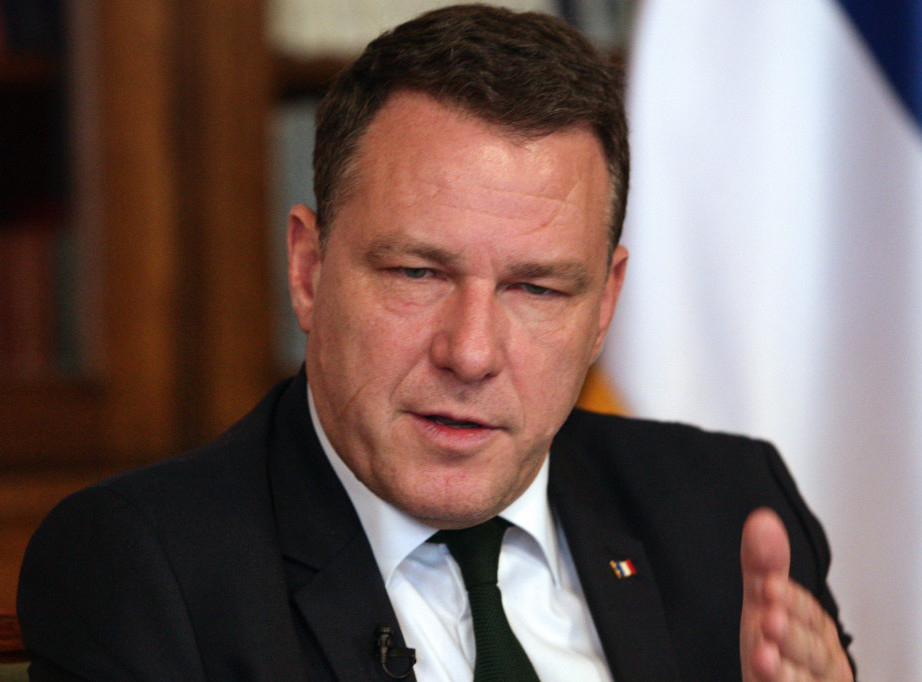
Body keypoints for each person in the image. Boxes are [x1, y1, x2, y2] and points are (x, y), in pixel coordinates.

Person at [18, 5, 854, 681]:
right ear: (308, 271)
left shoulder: (730, 516)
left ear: (605, 306)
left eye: (536, 289)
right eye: (418, 273)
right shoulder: (150, 571)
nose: (471, 352)